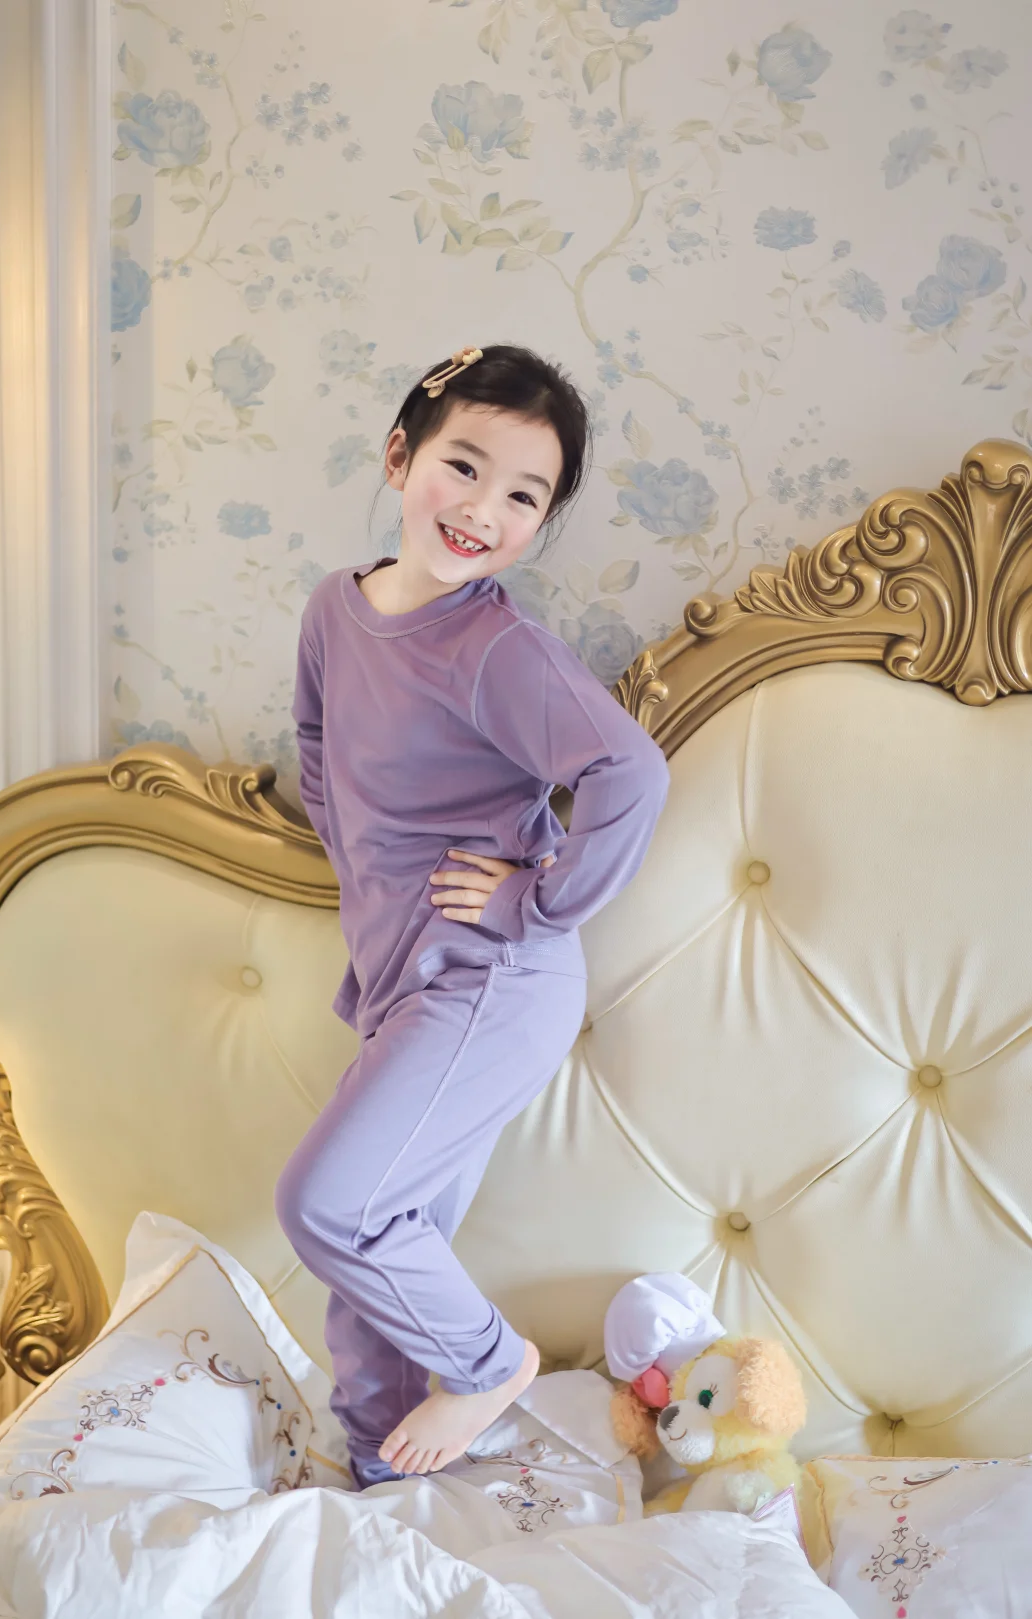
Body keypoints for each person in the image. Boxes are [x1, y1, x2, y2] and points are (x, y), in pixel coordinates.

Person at [276, 343, 669, 1489]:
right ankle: (380, 1475)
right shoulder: (335, 609)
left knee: (329, 1205)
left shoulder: (494, 647)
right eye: (464, 466)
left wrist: (534, 898)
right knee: (384, 1246)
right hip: (401, 975)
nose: (483, 509)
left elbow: (629, 775)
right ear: (401, 456)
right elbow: (317, 751)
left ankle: (493, 1362)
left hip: (493, 980)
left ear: (539, 526)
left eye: (523, 496)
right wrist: (370, 889)